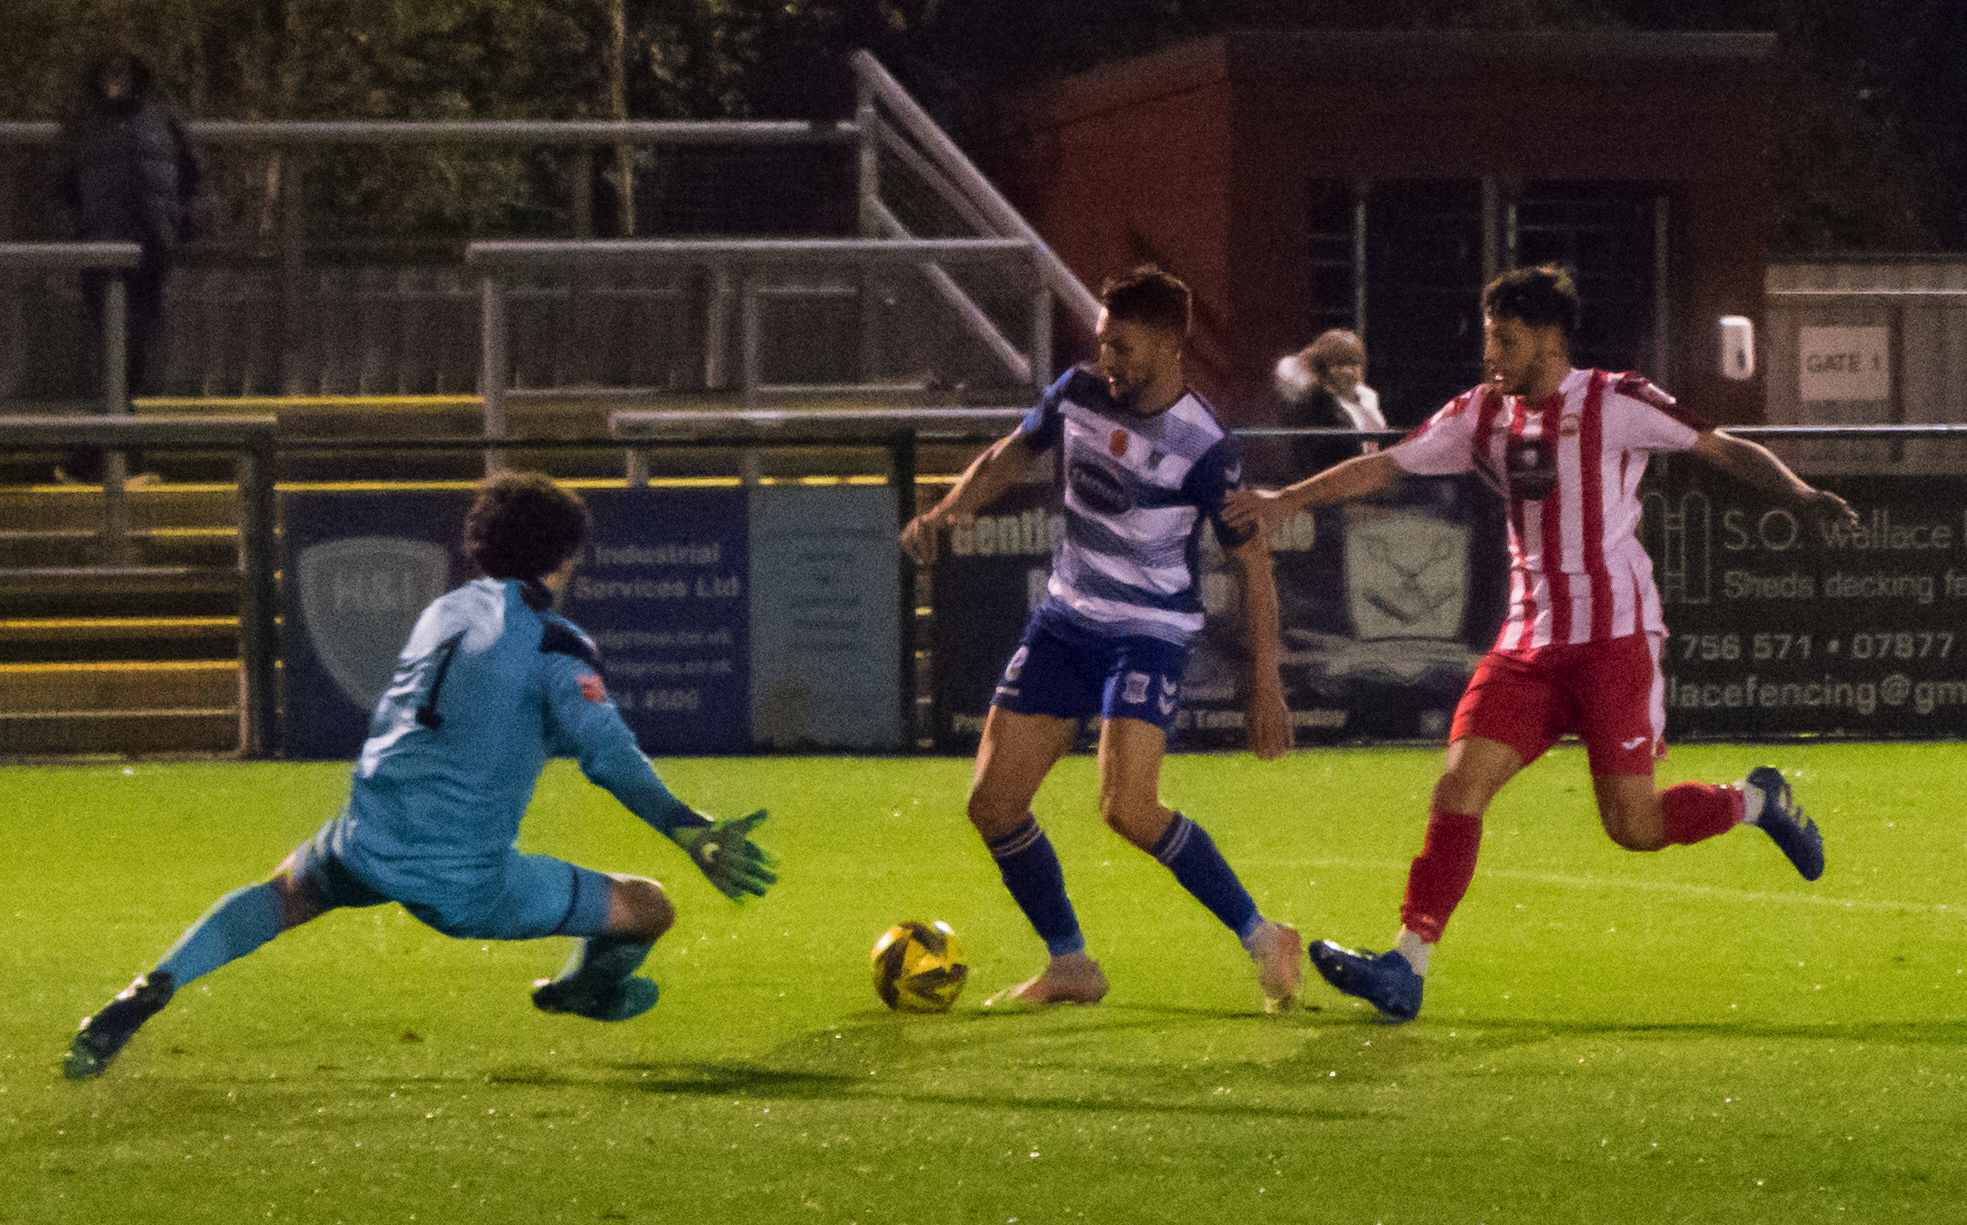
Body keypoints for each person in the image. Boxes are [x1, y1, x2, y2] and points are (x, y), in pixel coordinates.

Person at [1224, 265, 1856, 1022]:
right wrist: (1284, 500)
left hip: (1614, 637)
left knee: (1633, 825)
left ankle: (1757, 800)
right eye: (1490, 334)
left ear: (1549, 340)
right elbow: (1383, 466)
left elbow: (1718, 447)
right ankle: (1406, 964)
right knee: (1458, 788)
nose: (1490, 351)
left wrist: (1798, 492)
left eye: (1505, 337)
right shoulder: (1482, 413)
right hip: (1527, 641)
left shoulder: (1615, 401)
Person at [64, 473, 778, 1079]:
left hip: (367, 837)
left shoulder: (442, 612)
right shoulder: (557, 644)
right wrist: (690, 829)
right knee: (649, 907)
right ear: (565, 557)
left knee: (279, 895)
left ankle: (152, 983)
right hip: (464, 882)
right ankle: (583, 990)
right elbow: (609, 755)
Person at [901, 267, 1301, 1011]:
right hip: (1063, 621)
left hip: (1145, 634)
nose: (1106, 357)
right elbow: (1012, 453)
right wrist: (948, 509)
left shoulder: (1206, 446)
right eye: (1102, 342)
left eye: (1120, 344)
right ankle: (1071, 963)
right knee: (993, 804)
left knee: (1126, 807)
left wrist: (1264, 683)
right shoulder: (1080, 391)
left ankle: (1260, 934)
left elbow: (1254, 567)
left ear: (1169, 343)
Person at [49, 46, 199, 485]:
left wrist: (178, 226)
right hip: (101, 257)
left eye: (124, 72)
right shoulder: (83, 125)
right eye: (109, 72)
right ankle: (115, 463)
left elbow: (188, 176)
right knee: (121, 357)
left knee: (132, 360)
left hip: (150, 252)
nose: (116, 80)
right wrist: (80, 234)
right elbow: (60, 188)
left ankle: (86, 459)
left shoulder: (161, 118)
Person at [1274, 328, 1387, 476]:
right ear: (1323, 369)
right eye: (1339, 364)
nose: (1348, 371)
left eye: (1354, 363)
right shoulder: (1317, 402)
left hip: (1371, 482)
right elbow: (1286, 369)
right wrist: (1310, 362)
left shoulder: (1368, 397)